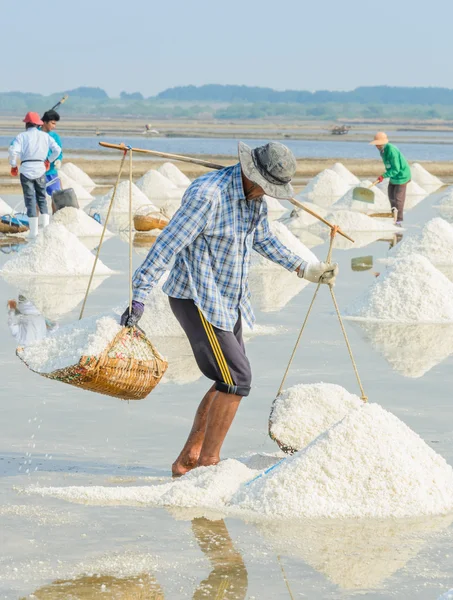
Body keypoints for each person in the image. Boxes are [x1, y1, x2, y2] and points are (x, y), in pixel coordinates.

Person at [120, 141, 339, 476]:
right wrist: (139, 296)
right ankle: (209, 464)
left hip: (229, 299)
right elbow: (168, 243)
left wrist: (305, 268)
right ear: (252, 175)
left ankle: (189, 457)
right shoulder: (208, 195)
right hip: (198, 298)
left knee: (227, 379)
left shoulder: (255, 201)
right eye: (267, 187)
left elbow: (263, 240)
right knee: (238, 378)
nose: (268, 193)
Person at [9, 112, 61, 238]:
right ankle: (46, 230)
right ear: (38, 123)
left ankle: (33, 232)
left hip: (26, 169)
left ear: (26, 124)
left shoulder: (21, 136)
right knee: (42, 197)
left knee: (30, 199)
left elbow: (12, 150)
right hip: (40, 169)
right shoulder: (45, 136)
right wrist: (49, 160)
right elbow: (57, 150)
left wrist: (14, 165)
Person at [370, 132, 411, 226]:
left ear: (382, 143)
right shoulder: (382, 151)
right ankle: (394, 216)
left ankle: (399, 220)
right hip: (393, 175)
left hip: (402, 175)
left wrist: (384, 176)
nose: (376, 146)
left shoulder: (391, 150)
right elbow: (389, 165)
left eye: (378, 143)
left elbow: (396, 169)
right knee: (391, 195)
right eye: (376, 144)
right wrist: (385, 175)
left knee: (398, 198)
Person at [41, 110, 63, 196]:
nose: (54, 126)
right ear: (45, 122)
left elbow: (59, 152)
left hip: (51, 171)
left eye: (55, 124)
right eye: (52, 123)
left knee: (56, 196)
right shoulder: (36, 133)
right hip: (38, 172)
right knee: (37, 198)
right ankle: (36, 210)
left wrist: (59, 160)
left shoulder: (55, 136)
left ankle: (57, 210)